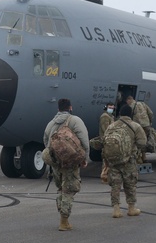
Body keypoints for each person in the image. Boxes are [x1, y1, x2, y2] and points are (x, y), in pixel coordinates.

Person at [42, 98, 90, 231]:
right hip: (71, 162)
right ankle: (64, 221)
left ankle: (62, 215)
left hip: (56, 163)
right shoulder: (75, 121)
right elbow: (85, 141)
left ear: (58, 109)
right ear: (70, 107)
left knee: (60, 189)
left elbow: (46, 142)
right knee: (69, 190)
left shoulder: (50, 124)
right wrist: (85, 158)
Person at [105, 104, 146, 218]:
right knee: (130, 184)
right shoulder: (135, 126)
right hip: (129, 160)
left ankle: (116, 209)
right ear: (130, 114)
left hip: (114, 161)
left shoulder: (111, 126)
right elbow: (142, 143)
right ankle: (131, 208)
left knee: (115, 185)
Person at [98, 103, 116, 184]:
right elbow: (106, 129)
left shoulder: (110, 116)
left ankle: (107, 176)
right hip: (107, 140)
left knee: (108, 159)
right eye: (110, 107)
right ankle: (105, 177)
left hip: (110, 140)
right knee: (106, 160)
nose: (111, 109)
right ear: (106, 108)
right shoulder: (105, 117)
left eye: (112, 108)